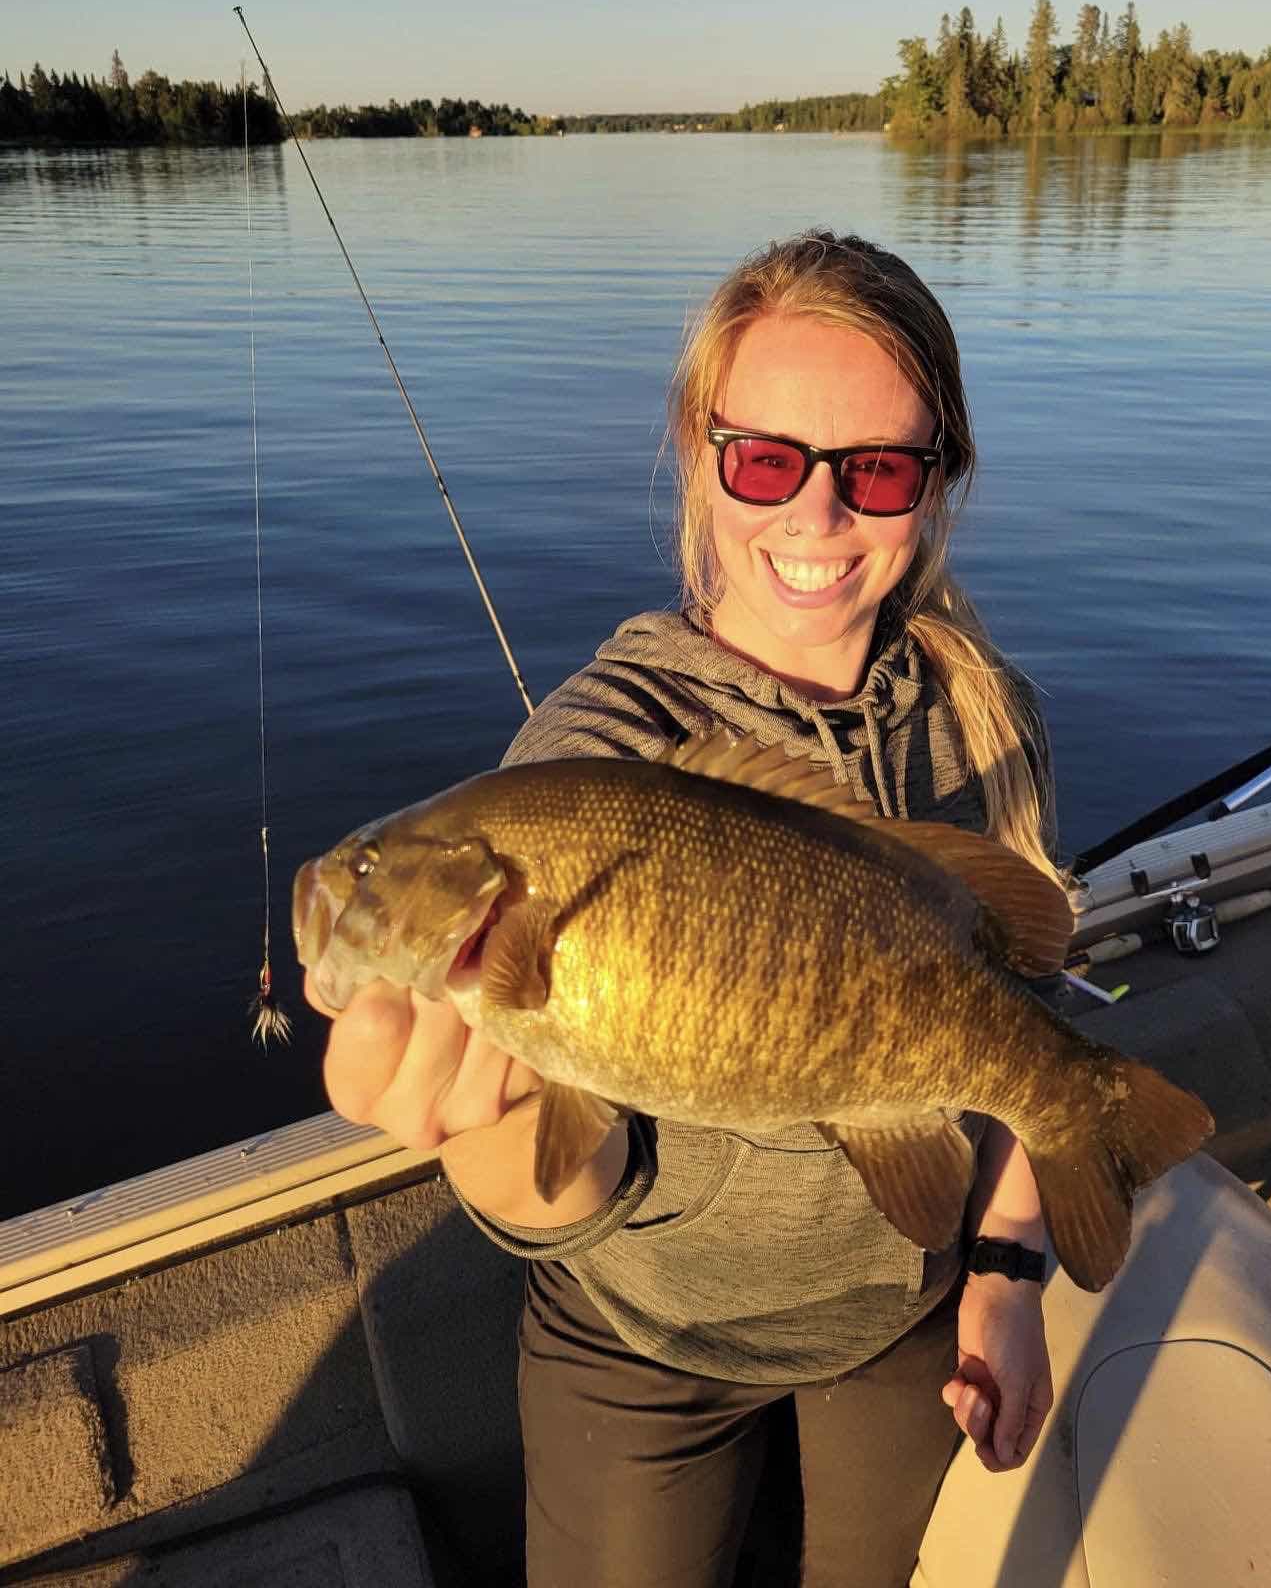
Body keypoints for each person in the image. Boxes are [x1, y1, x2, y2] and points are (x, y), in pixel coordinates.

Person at [305, 230, 1063, 1588]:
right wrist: (486, 1137)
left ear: (937, 483)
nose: (817, 520)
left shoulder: (977, 716)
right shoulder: (585, 762)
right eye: (766, 460)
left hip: (903, 1305)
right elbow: (574, 1184)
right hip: (640, 1338)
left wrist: (1007, 1271)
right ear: (698, 449)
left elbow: (1018, 1025)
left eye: (878, 471)